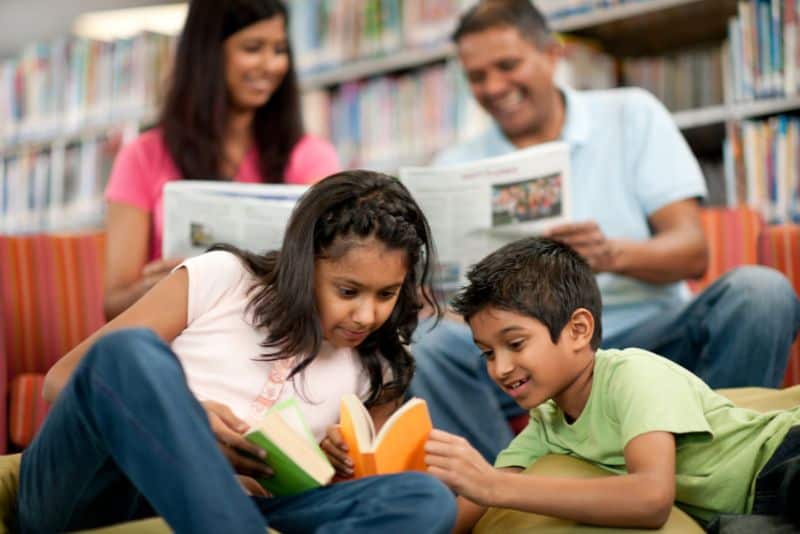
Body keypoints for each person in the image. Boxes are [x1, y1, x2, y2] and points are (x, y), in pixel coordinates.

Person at [410, 0, 800, 461]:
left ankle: (714, 464)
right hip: (527, 354)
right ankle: (504, 490)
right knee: (424, 342)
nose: (495, 87)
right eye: (477, 77)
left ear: (553, 55)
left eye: (508, 65)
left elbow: (692, 251)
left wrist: (611, 254)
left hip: (648, 338)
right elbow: (442, 305)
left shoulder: (631, 115)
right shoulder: (454, 165)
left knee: (761, 293)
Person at [17, 171, 456, 534]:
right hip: (108, 490)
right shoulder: (224, 278)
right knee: (128, 351)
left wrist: (336, 464)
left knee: (424, 499)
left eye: (387, 294)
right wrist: (189, 418)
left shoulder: (375, 366)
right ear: (304, 264)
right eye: (347, 291)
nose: (366, 315)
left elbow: (347, 492)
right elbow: (60, 381)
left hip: (244, 510)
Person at [424, 236, 800, 532]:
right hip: (747, 510)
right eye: (487, 353)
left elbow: (651, 499)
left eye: (515, 344)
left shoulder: (632, 375)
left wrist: (494, 486)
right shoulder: (546, 425)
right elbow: (476, 502)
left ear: (578, 330)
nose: (501, 368)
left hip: (781, 459)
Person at [102, 0, 341, 320]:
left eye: (280, 49)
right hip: (181, 333)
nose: (270, 65)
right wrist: (163, 289)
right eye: (253, 48)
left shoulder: (312, 157)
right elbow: (113, 305)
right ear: (208, 54)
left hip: (276, 335)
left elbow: (332, 272)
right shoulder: (142, 157)